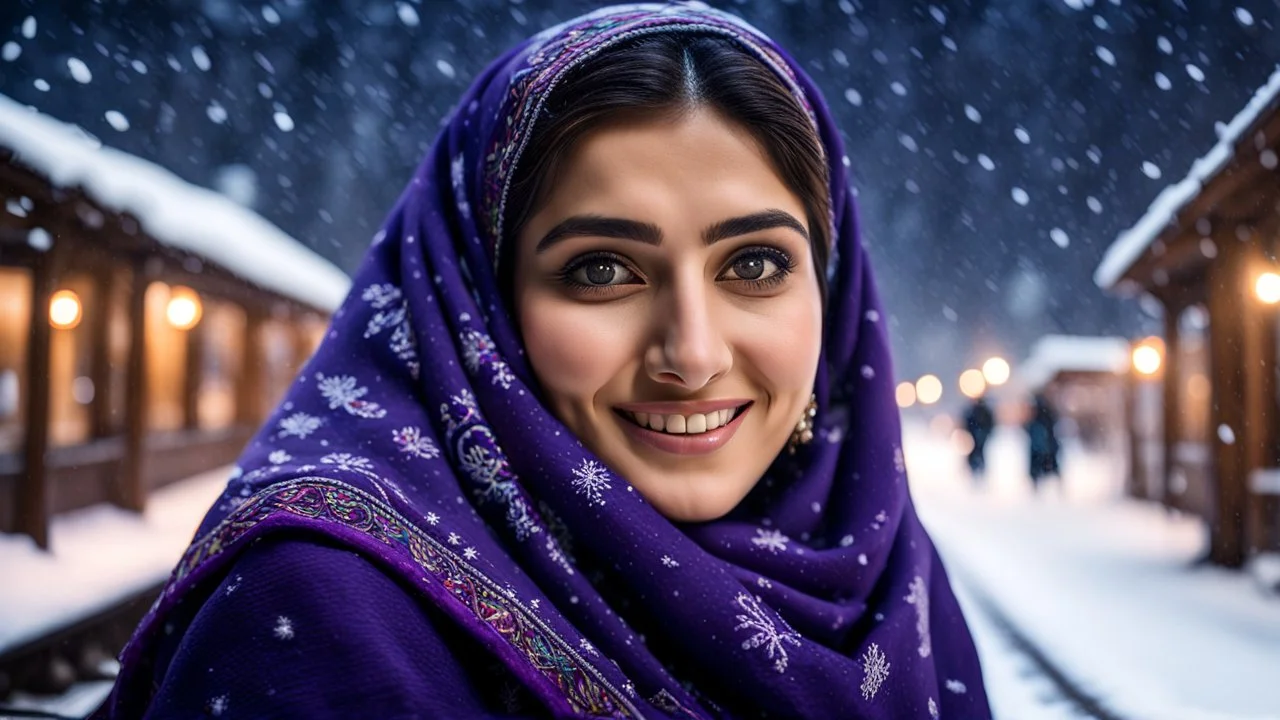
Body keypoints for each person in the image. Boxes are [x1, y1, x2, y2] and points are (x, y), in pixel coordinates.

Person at [93, 4, 990, 718]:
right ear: (480, 302)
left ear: (829, 292)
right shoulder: (322, 616)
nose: (693, 352)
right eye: (601, 270)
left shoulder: (880, 581)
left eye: (754, 265)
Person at [1026, 392, 1061, 489]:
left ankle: (1038, 483)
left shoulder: (1038, 416)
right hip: (1044, 446)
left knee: (1041, 466)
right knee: (1048, 466)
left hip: (1042, 446)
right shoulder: (1046, 415)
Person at [962, 395, 995, 476]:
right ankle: (976, 468)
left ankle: (978, 468)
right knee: (976, 452)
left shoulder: (976, 412)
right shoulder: (974, 412)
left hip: (980, 435)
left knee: (978, 451)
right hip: (976, 435)